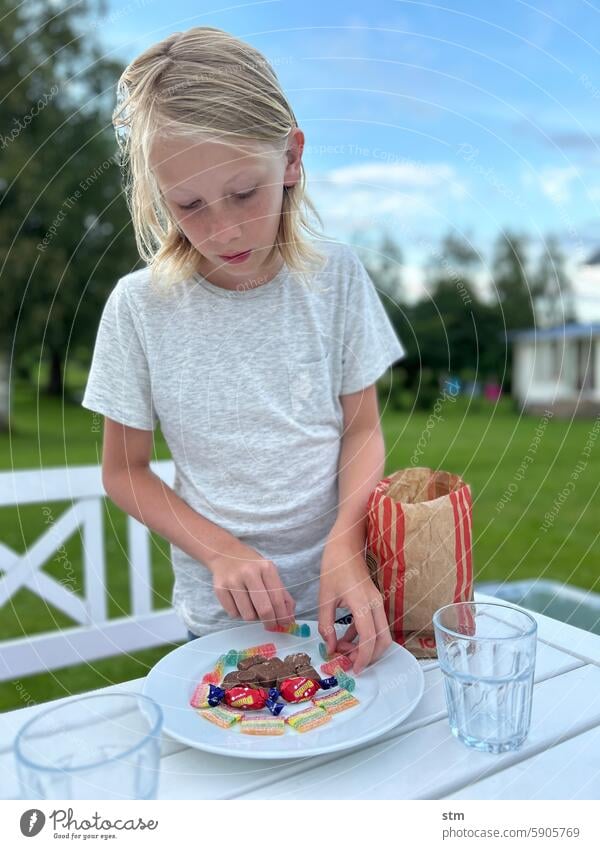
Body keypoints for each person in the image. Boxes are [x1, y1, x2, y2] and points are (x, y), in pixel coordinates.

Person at [81, 26, 405, 675]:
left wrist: (344, 545)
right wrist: (220, 551)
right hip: (217, 618)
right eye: (189, 204)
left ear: (289, 158)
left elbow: (362, 426)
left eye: (242, 193)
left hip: (341, 596)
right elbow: (124, 470)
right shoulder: (137, 308)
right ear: (158, 193)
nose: (222, 229)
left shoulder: (336, 278)